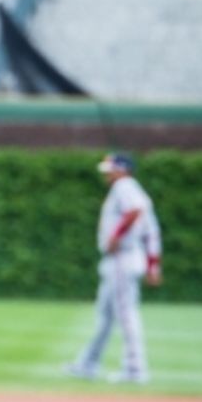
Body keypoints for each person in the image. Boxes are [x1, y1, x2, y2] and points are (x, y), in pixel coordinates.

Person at [67, 152, 163, 385]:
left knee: (125, 314)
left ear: (122, 169)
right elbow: (151, 231)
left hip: (122, 258)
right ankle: (87, 364)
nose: (107, 174)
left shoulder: (125, 186)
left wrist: (115, 235)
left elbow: (135, 211)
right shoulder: (132, 188)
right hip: (125, 258)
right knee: (106, 316)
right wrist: (152, 264)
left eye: (110, 169)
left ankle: (134, 369)